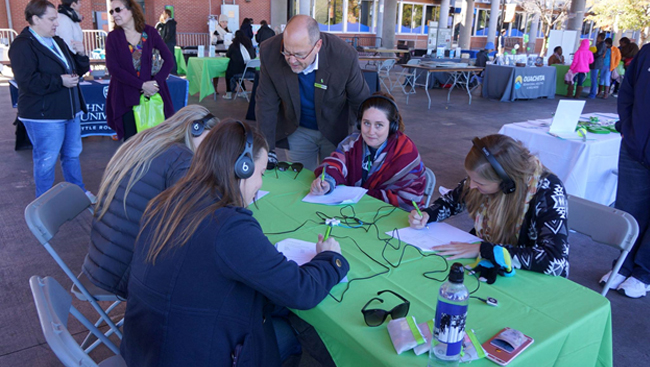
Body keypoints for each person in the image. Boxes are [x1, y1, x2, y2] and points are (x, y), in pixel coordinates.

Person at [120, 120, 349, 366]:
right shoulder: (228, 227)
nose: (260, 185)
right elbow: (302, 291)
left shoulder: (166, 202)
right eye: (260, 174)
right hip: (197, 354)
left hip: (146, 351)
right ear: (242, 168)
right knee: (292, 330)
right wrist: (330, 259)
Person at [83, 105, 218, 298]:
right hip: (125, 276)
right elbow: (198, 214)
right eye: (209, 142)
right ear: (194, 129)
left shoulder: (144, 141)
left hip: (101, 262)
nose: (207, 153)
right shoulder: (181, 157)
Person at [408, 134, 569, 278]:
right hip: (488, 264)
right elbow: (452, 201)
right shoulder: (486, 176)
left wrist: (485, 250)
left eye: (479, 183)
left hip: (528, 276)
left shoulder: (548, 191)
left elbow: (555, 260)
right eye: (470, 179)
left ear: (507, 184)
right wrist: (428, 214)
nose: (471, 186)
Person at [256, 15, 370, 171]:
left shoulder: (344, 56)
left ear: (318, 46)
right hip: (297, 128)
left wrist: (367, 143)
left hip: (335, 128)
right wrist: (266, 148)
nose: (292, 60)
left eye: (300, 55)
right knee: (299, 181)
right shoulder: (270, 51)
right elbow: (265, 103)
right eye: (287, 52)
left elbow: (361, 102)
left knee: (333, 179)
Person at [9, 0, 92, 199]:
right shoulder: (22, 46)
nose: (57, 23)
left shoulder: (57, 41)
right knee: (46, 161)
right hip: (44, 116)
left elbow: (77, 70)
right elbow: (27, 81)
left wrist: (81, 55)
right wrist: (59, 81)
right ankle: (43, 202)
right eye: (52, 19)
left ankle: (78, 192)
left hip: (69, 111)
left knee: (72, 156)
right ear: (35, 19)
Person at [310, 93, 426, 211]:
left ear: (392, 126)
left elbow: (410, 199)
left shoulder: (406, 152)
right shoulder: (352, 142)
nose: (371, 132)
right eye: (366, 123)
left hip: (390, 217)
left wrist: (361, 195)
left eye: (379, 125)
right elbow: (336, 163)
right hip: (352, 211)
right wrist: (327, 181)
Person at [600, 44, 650, 298]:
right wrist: (628, 131)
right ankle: (623, 265)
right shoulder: (647, 53)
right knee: (630, 211)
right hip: (635, 148)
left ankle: (644, 273)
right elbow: (627, 93)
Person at [105, 0, 174, 141]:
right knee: (131, 145)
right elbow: (114, 69)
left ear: (131, 10)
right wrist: (142, 85)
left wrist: (155, 83)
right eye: (112, 11)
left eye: (118, 9)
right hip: (125, 98)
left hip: (152, 96)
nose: (114, 14)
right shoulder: (113, 37)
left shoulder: (150, 32)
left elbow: (169, 60)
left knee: (153, 143)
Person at [223, 30, 255, 100]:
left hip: (239, 72)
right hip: (252, 72)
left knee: (230, 73)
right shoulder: (249, 45)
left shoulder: (234, 45)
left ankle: (229, 93)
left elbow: (228, 55)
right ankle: (243, 92)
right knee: (240, 72)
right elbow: (254, 56)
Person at [588, 33, 606, 99]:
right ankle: (592, 93)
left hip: (596, 63)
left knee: (594, 79)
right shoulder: (601, 44)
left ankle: (592, 94)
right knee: (594, 78)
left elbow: (598, 53)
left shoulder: (601, 45)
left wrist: (592, 54)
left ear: (600, 37)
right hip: (597, 63)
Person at [159, 8, 176, 74]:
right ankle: (171, 70)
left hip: (169, 43)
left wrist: (164, 40)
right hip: (169, 42)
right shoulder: (167, 23)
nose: (163, 15)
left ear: (167, 14)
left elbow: (168, 33)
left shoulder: (170, 23)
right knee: (169, 56)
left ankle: (173, 70)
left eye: (164, 14)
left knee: (170, 56)